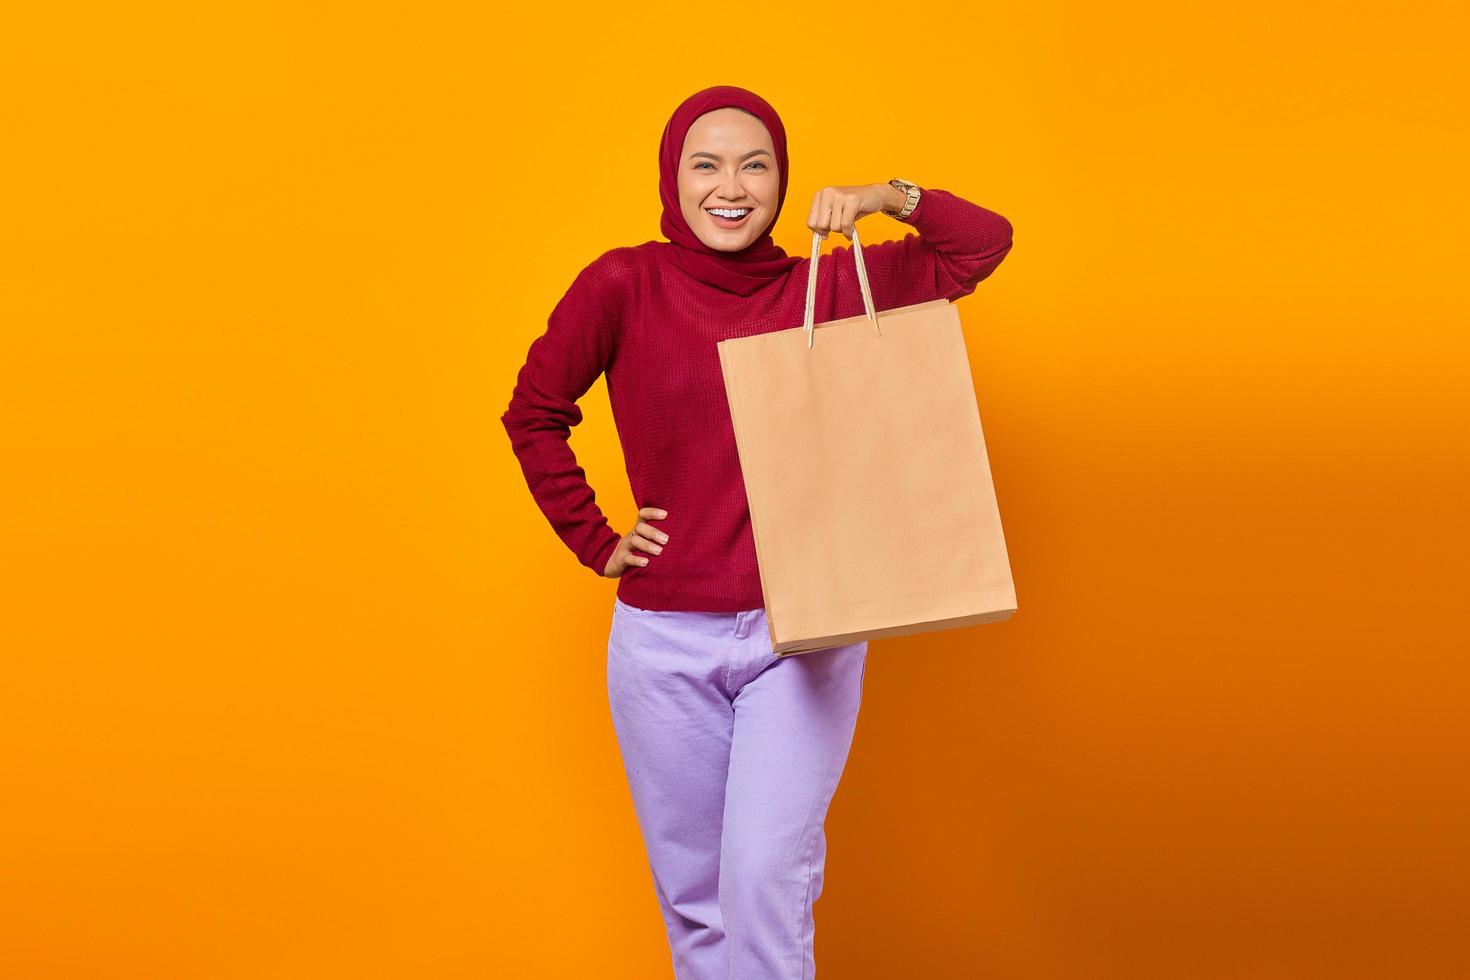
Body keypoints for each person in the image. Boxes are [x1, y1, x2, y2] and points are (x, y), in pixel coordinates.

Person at [502, 85, 1014, 979]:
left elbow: (984, 245)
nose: (728, 185)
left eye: (755, 163)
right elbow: (534, 410)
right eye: (706, 164)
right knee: (695, 902)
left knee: (763, 880)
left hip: (801, 635)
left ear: (783, 180)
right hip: (663, 642)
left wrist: (888, 197)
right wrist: (597, 538)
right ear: (673, 177)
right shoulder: (624, 283)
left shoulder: (829, 282)